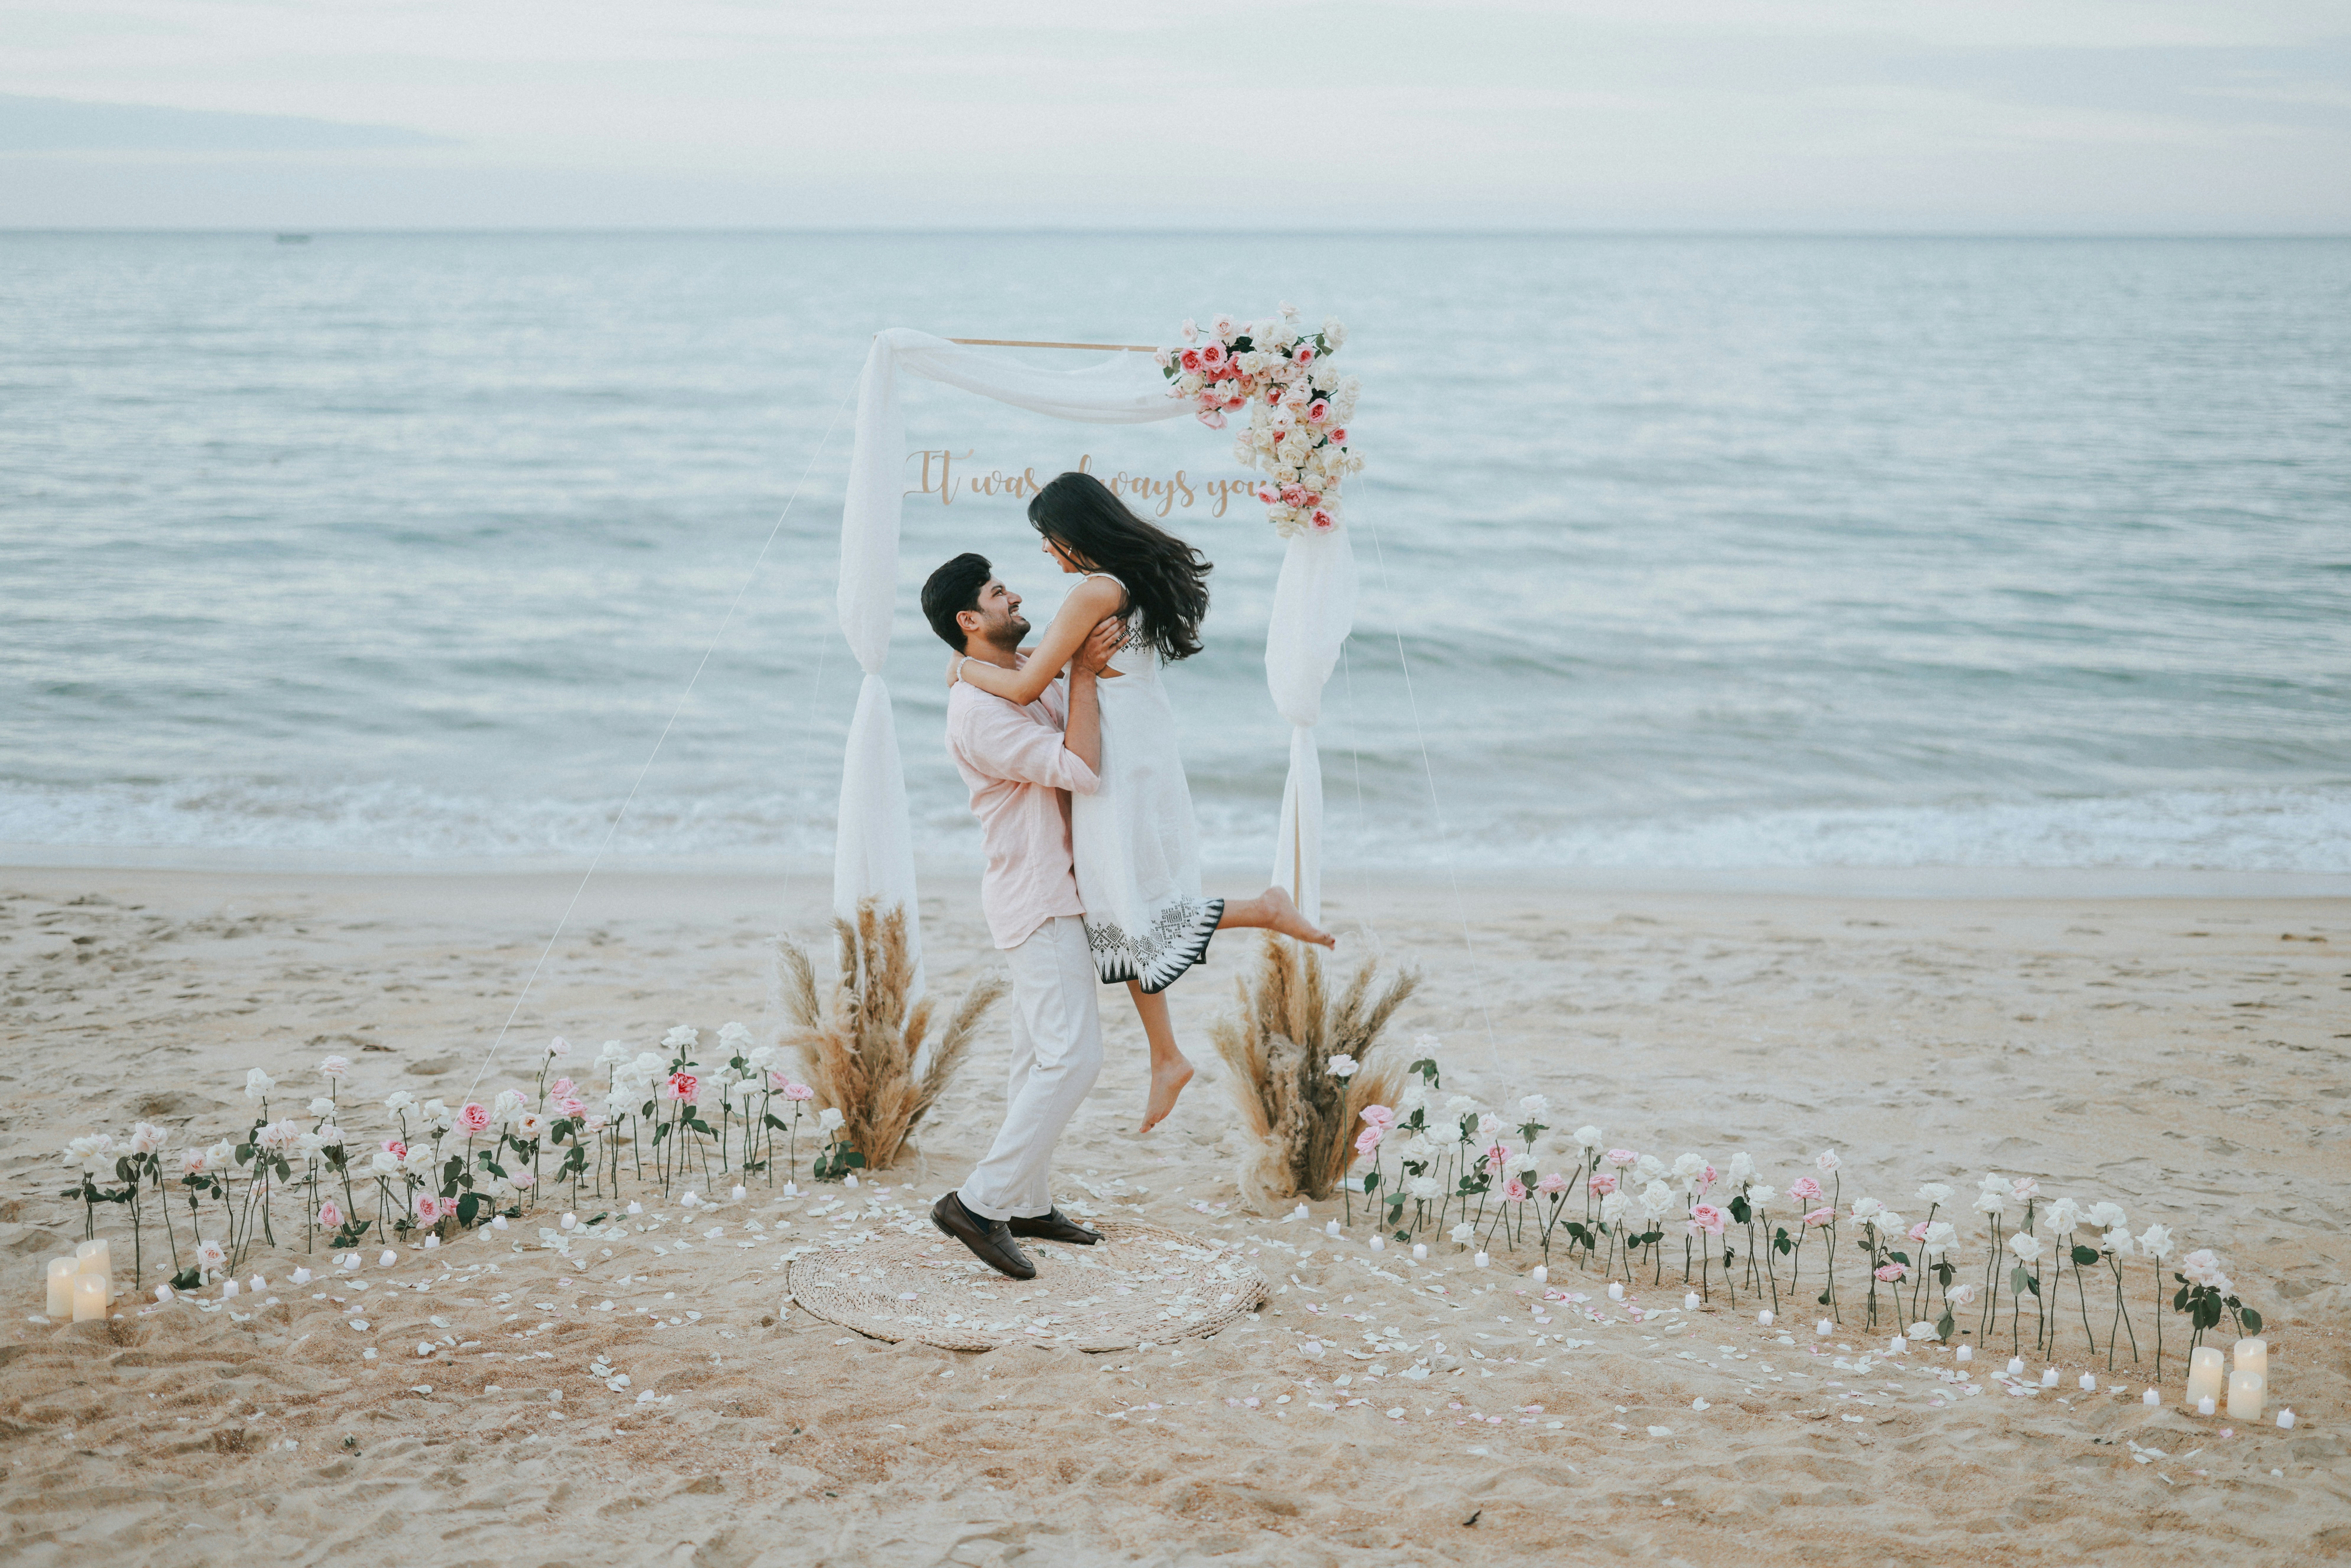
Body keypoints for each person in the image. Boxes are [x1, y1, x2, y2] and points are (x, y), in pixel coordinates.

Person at [948, 471, 1334, 1136]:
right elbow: (1054, 660)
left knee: (1124, 902)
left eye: (1048, 538)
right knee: (1121, 905)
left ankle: (1258, 916)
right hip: (1143, 753)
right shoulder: (1122, 586)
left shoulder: (1093, 589)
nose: (1046, 552)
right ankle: (1166, 1053)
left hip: (1118, 765)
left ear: (1075, 533)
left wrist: (961, 667)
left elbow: (1028, 683)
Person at [919, 550, 1126, 1280]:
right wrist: (1084, 676)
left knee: (1036, 1055)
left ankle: (1028, 1201)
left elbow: (1045, 669)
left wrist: (1075, 664)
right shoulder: (980, 713)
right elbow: (1080, 768)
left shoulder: (1002, 678)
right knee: (1074, 1056)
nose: (1016, 595)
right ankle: (977, 1204)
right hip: (1038, 896)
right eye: (998, 592)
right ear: (969, 620)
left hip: (1053, 887)